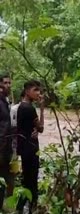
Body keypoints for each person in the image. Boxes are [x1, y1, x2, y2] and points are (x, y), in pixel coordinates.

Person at [16, 80, 44, 214]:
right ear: (27, 91)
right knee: (31, 181)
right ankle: (29, 207)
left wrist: (36, 130)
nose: (38, 93)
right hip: (31, 149)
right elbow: (41, 127)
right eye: (35, 90)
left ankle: (20, 208)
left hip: (25, 148)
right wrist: (42, 108)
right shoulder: (29, 108)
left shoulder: (22, 106)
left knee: (27, 180)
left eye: (39, 90)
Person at [0, 74, 13, 212]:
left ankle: (7, 207)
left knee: (8, 179)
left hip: (6, 149)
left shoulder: (5, 102)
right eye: (5, 83)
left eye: (9, 83)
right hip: (1, 148)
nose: (8, 85)